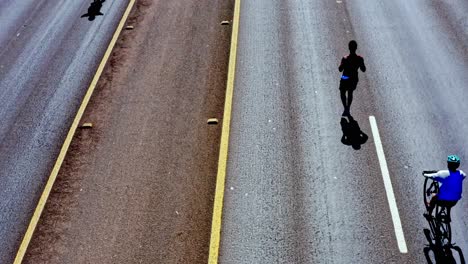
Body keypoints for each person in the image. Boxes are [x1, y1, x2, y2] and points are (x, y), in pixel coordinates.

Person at [338, 40, 366, 116]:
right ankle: (348, 108)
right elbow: (363, 70)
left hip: (345, 77)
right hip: (354, 78)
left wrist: (343, 64)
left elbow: (340, 69)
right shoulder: (360, 59)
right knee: (350, 92)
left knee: (342, 92)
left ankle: (345, 108)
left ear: (349, 48)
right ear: (356, 48)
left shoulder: (345, 58)